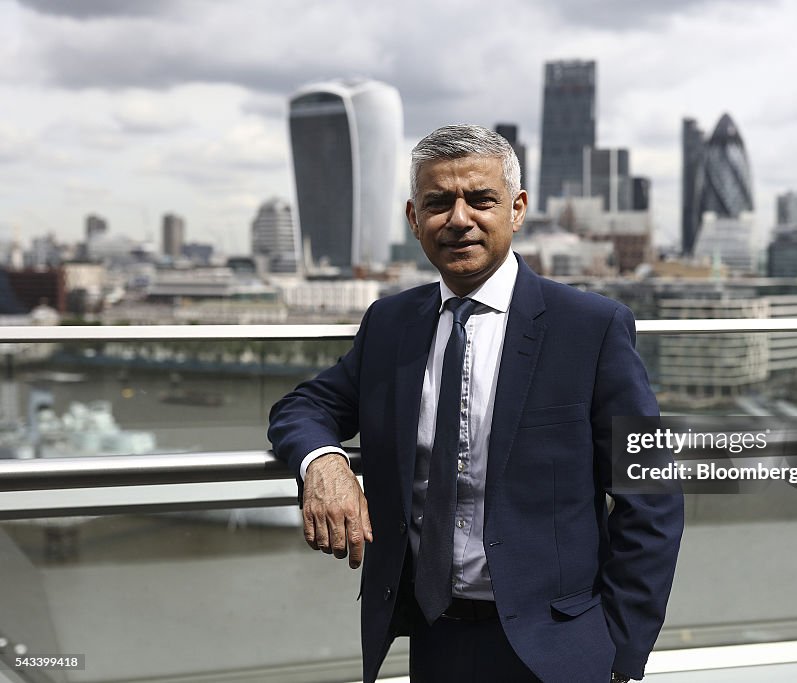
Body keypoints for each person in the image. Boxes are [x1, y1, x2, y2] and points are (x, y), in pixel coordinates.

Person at [268, 124, 683, 683]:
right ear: (414, 219)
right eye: (438, 202)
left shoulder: (590, 327)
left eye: (481, 200)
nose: (459, 219)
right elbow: (304, 406)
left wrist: (621, 654)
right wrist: (324, 462)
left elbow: (651, 493)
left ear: (517, 209)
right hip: (434, 636)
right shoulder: (390, 324)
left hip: (561, 647)